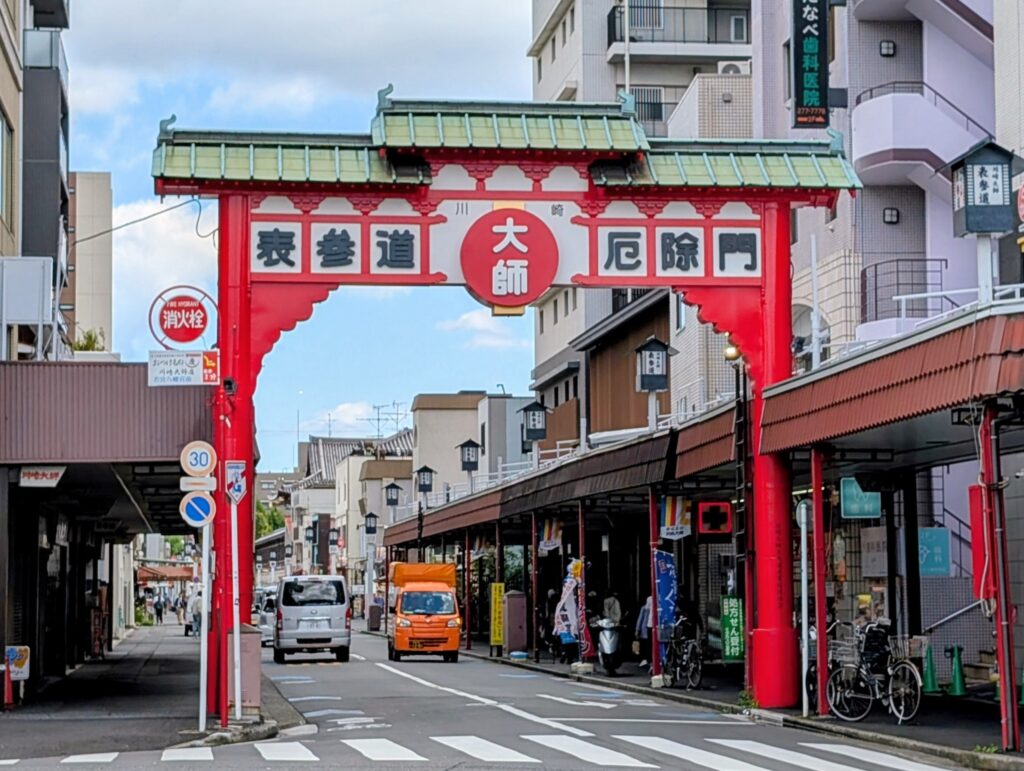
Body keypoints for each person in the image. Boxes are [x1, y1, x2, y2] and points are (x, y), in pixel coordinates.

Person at [635, 596, 653, 669]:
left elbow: (640, 619)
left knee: (646, 645)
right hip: (646, 629)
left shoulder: (644, 608)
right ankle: (647, 660)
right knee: (647, 645)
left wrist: (637, 629)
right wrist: (637, 629)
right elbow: (640, 619)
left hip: (644, 630)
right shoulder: (645, 608)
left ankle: (646, 660)